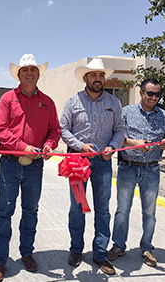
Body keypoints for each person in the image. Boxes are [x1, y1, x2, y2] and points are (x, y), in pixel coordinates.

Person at [0, 54, 60, 281]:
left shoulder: (48, 102)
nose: (29, 73)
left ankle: (27, 253)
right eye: (25, 70)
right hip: (10, 164)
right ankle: (0, 259)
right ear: (18, 75)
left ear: (39, 74)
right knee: (5, 211)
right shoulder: (7, 99)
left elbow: (54, 131)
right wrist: (22, 147)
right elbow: (0, 130)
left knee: (31, 210)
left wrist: (49, 145)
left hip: (35, 166)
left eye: (33, 70)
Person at [60, 58, 125, 275]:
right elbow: (63, 130)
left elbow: (120, 131)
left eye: (101, 75)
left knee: (103, 208)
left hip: (103, 163)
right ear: (85, 78)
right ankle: (76, 249)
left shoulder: (114, 103)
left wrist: (112, 147)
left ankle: (100, 254)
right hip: (78, 162)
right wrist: (80, 146)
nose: (98, 79)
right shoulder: (73, 101)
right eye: (94, 75)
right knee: (77, 208)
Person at [108, 78, 165, 267]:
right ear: (141, 93)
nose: (153, 97)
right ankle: (118, 246)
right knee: (122, 210)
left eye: (157, 94)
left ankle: (147, 248)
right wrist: (134, 144)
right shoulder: (126, 112)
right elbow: (116, 137)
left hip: (152, 169)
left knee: (150, 212)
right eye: (150, 93)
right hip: (128, 167)